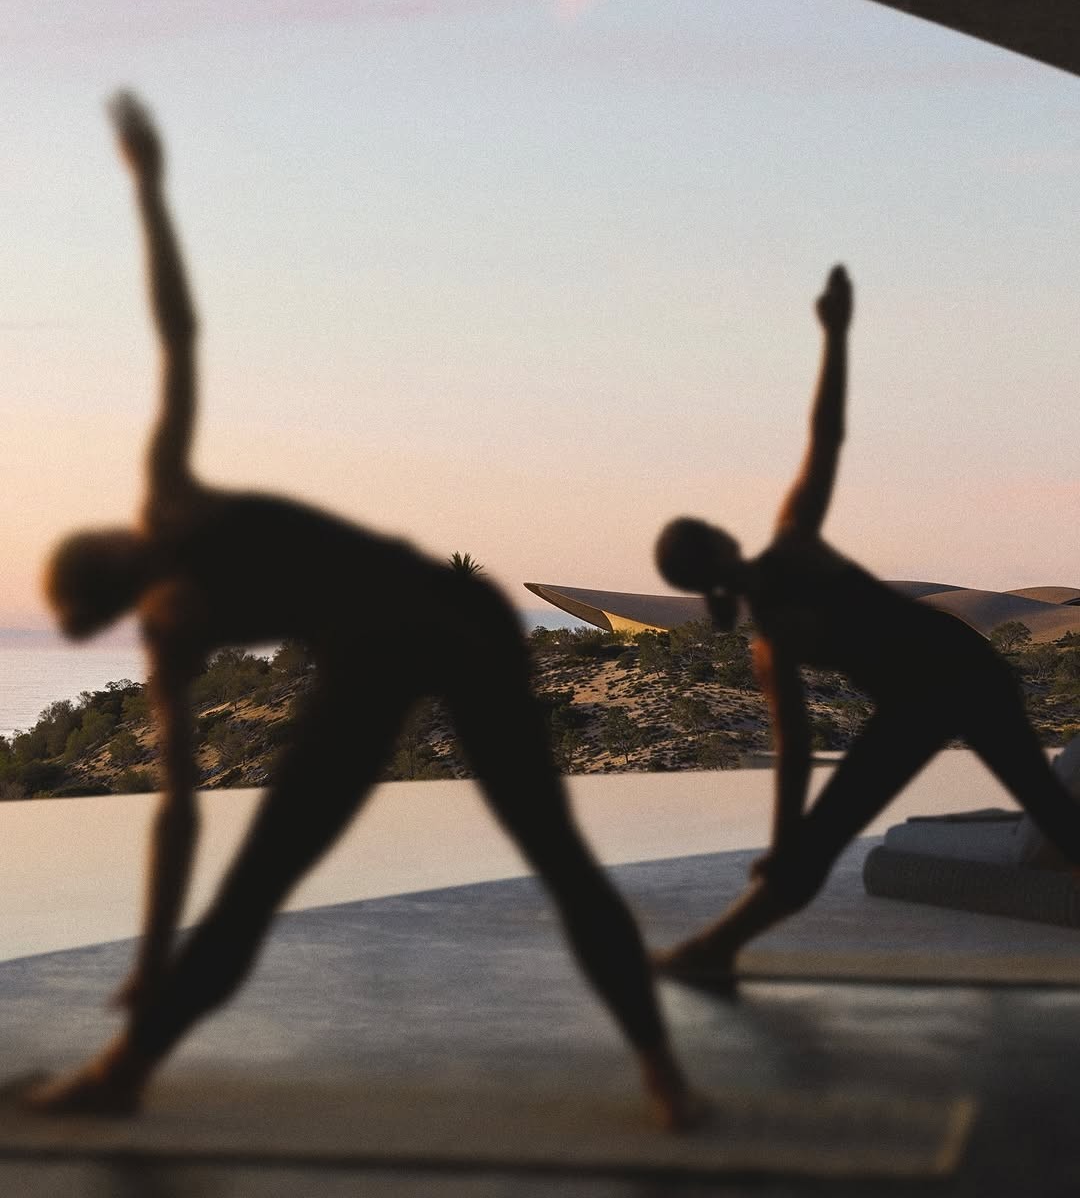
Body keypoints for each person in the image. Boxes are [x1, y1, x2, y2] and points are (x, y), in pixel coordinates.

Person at [28, 92, 693, 1127]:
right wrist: (151, 958)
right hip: (417, 631)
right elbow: (178, 811)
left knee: (305, 878)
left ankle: (124, 1074)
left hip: (428, 624)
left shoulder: (171, 526)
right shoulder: (168, 604)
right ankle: (664, 1078)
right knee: (518, 860)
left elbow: (178, 336)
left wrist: (151, 190)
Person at [652, 265, 1080, 985]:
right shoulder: (794, 547)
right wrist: (836, 334)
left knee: (821, 843)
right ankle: (714, 951)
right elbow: (827, 436)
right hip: (959, 671)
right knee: (1053, 818)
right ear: (721, 543)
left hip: (934, 692)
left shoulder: (770, 638)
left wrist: (785, 843)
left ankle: (715, 950)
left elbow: (794, 755)